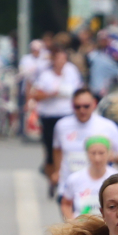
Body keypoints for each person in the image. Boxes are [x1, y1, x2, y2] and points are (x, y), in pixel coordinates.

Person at [51, 88, 118, 198]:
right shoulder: (62, 125)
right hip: (68, 189)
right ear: (72, 106)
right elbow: (57, 149)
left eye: (86, 106)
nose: (82, 110)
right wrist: (57, 171)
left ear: (94, 104)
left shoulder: (108, 126)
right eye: (77, 106)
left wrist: (111, 156)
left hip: (96, 191)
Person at [31, 47, 83, 194]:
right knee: (50, 148)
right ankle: (51, 177)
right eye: (58, 59)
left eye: (63, 59)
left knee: (66, 147)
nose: (61, 62)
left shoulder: (72, 71)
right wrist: (51, 94)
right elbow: (36, 94)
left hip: (67, 115)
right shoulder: (46, 75)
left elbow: (79, 89)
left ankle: (64, 177)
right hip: (50, 116)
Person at [60, 136, 118, 219]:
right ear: (86, 153)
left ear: (109, 153)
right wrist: (71, 223)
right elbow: (66, 203)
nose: (97, 158)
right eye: (93, 153)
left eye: (101, 153)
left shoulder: (116, 178)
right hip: (82, 228)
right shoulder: (74, 178)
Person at [86, 31, 118, 100]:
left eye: (104, 39)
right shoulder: (94, 51)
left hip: (109, 84)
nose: (102, 42)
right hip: (96, 82)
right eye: (100, 40)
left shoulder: (113, 51)